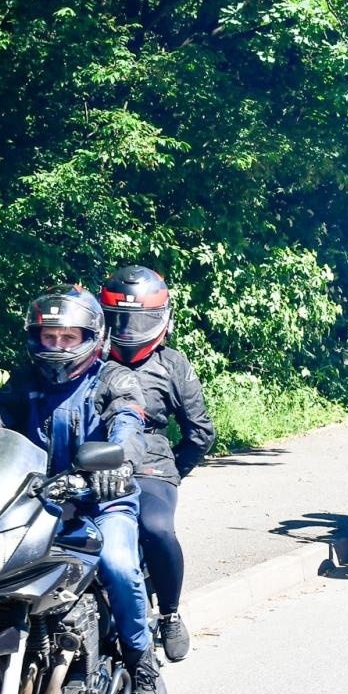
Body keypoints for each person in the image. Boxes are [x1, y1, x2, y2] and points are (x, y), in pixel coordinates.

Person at [0, 286, 166, 694]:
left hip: (102, 500)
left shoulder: (114, 379)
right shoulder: (24, 382)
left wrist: (118, 462)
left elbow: (127, 423)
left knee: (119, 566)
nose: (58, 346)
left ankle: (141, 657)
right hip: (35, 502)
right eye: (50, 337)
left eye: (68, 338)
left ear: (91, 337)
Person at [100, 265, 214, 664]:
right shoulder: (86, 356)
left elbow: (200, 432)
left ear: (162, 319)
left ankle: (169, 613)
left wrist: (171, 474)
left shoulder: (173, 364)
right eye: (121, 319)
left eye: (141, 319)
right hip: (91, 463)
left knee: (156, 527)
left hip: (150, 466)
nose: (130, 330)